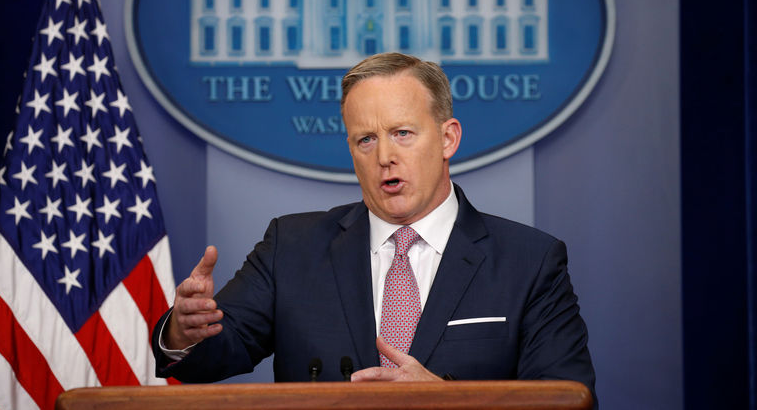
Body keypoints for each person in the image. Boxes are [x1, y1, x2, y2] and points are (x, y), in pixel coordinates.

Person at [151, 52, 596, 405]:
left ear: (448, 139)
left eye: (402, 133)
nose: (384, 155)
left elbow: (565, 399)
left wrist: (450, 402)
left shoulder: (530, 261)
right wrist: (183, 333)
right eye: (366, 139)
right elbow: (211, 357)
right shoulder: (292, 247)